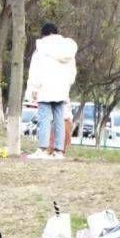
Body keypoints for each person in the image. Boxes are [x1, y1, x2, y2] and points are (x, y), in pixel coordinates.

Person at [24, 23, 78, 160]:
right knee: (59, 119)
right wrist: (67, 85)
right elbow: (73, 72)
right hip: (62, 90)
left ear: (44, 34)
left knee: (44, 119)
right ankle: (59, 151)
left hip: (45, 89)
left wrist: (33, 89)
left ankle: (42, 149)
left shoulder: (41, 48)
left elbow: (35, 71)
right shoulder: (68, 49)